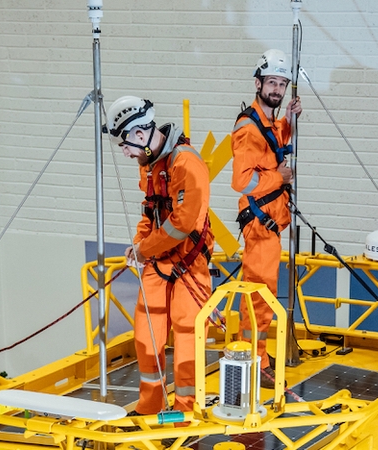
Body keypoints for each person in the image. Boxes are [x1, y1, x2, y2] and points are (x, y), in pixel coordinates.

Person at [105, 95, 213, 417]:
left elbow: (181, 225)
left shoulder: (186, 164)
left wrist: (144, 249)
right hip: (158, 260)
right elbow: (150, 212)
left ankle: (186, 414)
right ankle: (150, 405)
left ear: (140, 135)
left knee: (188, 336)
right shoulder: (150, 166)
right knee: (146, 334)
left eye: (125, 145)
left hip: (189, 262)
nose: (125, 153)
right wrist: (139, 242)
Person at [231, 49, 302, 389]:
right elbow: (242, 181)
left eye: (282, 84)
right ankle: (253, 361)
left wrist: (288, 120)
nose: (277, 89)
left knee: (262, 294)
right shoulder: (248, 128)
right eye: (272, 82)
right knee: (259, 297)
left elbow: (272, 147)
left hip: (269, 221)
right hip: (261, 223)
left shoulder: (267, 121)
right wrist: (280, 178)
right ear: (258, 83)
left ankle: (255, 355)